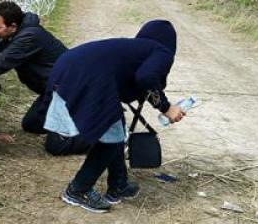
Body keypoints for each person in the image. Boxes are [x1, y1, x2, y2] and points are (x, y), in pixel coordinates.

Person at [44, 20, 186, 213]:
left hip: (66, 68)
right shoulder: (162, 51)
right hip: (86, 78)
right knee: (111, 138)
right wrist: (166, 107)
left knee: (115, 126)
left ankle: (118, 185)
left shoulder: (136, 49)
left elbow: (130, 87)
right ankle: (78, 189)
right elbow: (145, 77)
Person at [0, 2, 84, 149]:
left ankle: (96, 135)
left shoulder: (28, 37)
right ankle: (75, 116)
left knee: (56, 145)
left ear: (13, 26)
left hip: (68, 89)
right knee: (32, 124)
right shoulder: (14, 34)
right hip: (52, 90)